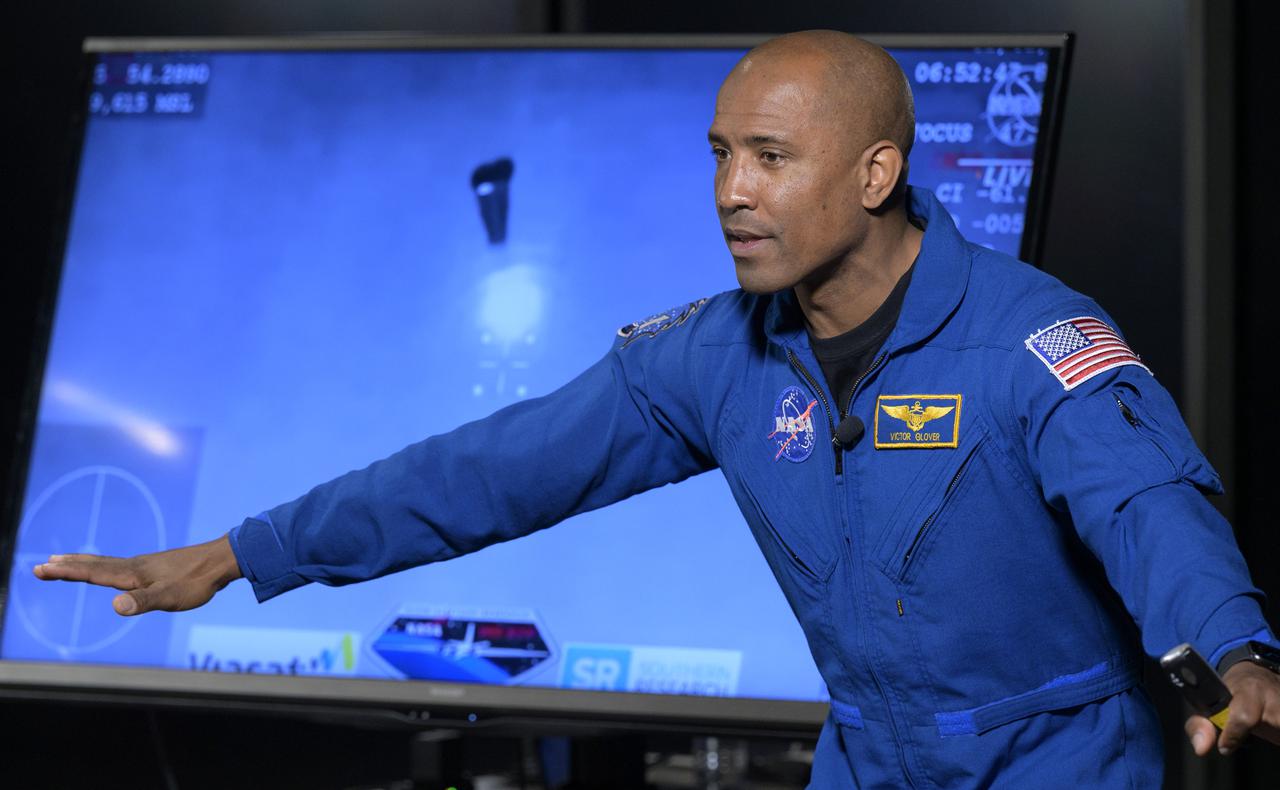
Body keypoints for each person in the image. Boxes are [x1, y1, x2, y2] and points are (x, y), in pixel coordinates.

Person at [34, 30, 1280, 787]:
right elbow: (487, 470)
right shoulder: (708, 359)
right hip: (868, 755)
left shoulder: (1026, 336)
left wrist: (1236, 652)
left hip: (1050, 764)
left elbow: (1145, 497)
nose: (732, 193)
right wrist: (244, 553)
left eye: (770, 159)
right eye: (719, 155)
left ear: (875, 173)